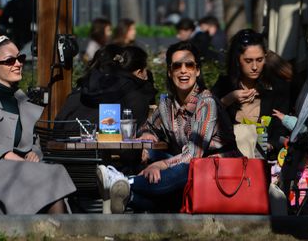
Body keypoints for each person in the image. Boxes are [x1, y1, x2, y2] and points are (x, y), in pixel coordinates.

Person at [96, 41, 240, 213]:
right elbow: (146, 127)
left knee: (185, 168)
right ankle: (128, 195)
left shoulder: (206, 103)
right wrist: (147, 136)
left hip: (217, 171)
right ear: (170, 72)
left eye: (189, 65)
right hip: (187, 167)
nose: (184, 70)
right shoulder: (167, 105)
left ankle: (121, 182)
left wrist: (160, 165)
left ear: (197, 71)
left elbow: (194, 155)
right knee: (150, 155)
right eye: (177, 66)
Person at [0, 35, 76, 214]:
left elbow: (33, 142)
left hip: (18, 169)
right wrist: (4, 153)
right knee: (44, 178)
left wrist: (33, 153)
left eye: (20, 58)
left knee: (54, 173)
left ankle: (56, 233)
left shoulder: (23, 101)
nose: (18, 64)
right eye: (10, 60)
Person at [211, 29, 291, 159]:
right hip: (227, 160)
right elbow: (205, 119)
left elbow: (280, 129)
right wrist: (228, 99)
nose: (255, 66)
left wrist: (269, 145)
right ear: (237, 60)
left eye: (259, 60)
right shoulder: (224, 85)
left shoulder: (276, 88)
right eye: (248, 61)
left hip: (264, 161)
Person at [56, 44, 156, 132]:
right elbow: (129, 141)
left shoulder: (80, 92)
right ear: (139, 72)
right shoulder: (133, 97)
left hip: (60, 149)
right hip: (100, 150)